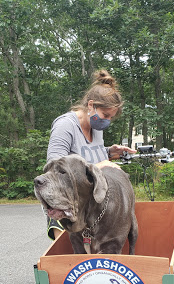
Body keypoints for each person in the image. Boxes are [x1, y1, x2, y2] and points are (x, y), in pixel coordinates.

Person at [46, 69, 136, 240]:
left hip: (91, 208)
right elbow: (53, 167)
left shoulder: (96, 128)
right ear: (91, 105)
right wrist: (99, 166)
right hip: (66, 205)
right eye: (105, 115)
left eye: (111, 117)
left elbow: (90, 156)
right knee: (72, 261)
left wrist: (109, 153)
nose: (107, 121)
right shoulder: (65, 126)